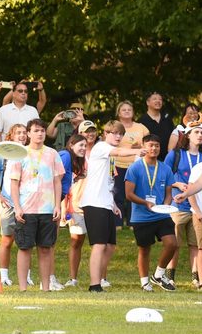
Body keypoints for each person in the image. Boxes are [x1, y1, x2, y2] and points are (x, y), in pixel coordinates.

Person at [80, 121, 145, 292]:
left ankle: (100, 279)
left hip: (106, 204)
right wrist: (137, 150)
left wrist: (113, 204)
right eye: (114, 133)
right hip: (94, 203)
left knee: (110, 246)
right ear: (106, 133)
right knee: (99, 245)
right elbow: (119, 151)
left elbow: (106, 183)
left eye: (120, 134)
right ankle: (94, 285)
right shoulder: (102, 147)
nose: (117, 136)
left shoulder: (109, 157)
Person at [10, 119, 65, 291]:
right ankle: (23, 288)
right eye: (36, 130)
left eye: (42, 130)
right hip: (26, 208)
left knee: (45, 248)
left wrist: (58, 205)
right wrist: (17, 207)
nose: (40, 134)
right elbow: (14, 184)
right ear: (28, 133)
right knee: (25, 247)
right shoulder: (20, 153)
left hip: (47, 208)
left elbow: (57, 181)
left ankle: (46, 287)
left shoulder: (52, 154)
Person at [124, 134, 178, 291]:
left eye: (157, 145)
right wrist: (145, 202)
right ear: (144, 147)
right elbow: (128, 194)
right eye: (150, 145)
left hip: (161, 215)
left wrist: (166, 206)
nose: (154, 148)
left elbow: (169, 193)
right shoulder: (135, 167)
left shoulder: (165, 168)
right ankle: (144, 282)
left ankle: (159, 275)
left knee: (172, 244)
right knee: (144, 249)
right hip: (141, 217)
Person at [0, 124, 30, 287]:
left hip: (28, 203)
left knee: (26, 241)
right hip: (8, 203)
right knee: (7, 240)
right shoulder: (3, 154)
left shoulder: (31, 153)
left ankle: (27, 276)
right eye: (18, 133)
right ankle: (4, 276)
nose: (22, 136)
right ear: (11, 136)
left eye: (24, 133)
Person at [162, 122, 202, 286]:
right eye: (196, 132)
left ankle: (196, 277)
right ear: (187, 135)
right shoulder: (176, 154)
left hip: (197, 207)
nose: (200, 135)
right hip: (178, 205)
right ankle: (170, 276)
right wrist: (178, 185)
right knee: (175, 243)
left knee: (195, 243)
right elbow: (164, 175)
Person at [112, 101, 150, 226]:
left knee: (135, 194)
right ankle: (117, 223)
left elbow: (150, 144)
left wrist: (140, 146)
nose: (127, 111)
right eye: (124, 110)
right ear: (118, 113)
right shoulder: (115, 127)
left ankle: (133, 222)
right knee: (118, 194)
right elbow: (107, 144)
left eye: (129, 109)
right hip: (117, 164)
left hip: (136, 166)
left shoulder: (141, 127)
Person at [60, 134, 88, 287]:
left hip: (87, 205)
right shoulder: (65, 157)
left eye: (85, 145)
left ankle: (102, 279)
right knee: (75, 240)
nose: (83, 148)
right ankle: (70, 279)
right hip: (73, 206)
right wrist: (63, 206)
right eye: (80, 145)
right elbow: (60, 182)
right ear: (71, 144)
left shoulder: (83, 160)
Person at [138, 91, 175, 160]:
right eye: (155, 99)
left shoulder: (167, 119)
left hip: (167, 159)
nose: (158, 101)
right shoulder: (141, 121)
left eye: (160, 99)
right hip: (149, 159)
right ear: (147, 102)